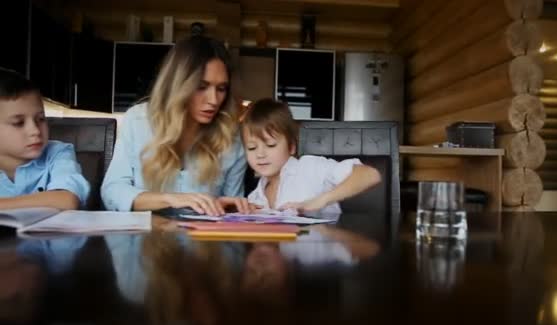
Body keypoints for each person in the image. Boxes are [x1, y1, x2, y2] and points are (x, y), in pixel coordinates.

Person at [101, 36, 251, 215]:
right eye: (201, 87)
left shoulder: (232, 138)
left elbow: (234, 209)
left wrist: (229, 207)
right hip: (145, 240)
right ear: (178, 85)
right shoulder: (138, 121)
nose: (213, 100)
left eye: (221, 89)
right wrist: (170, 199)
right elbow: (112, 191)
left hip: (203, 242)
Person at [241, 98, 381, 215]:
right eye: (252, 148)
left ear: (291, 147)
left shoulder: (309, 167)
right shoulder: (255, 197)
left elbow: (371, 175)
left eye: (270, 145)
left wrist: (321, 200)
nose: (260, 154)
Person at [0, 68, 89, 210]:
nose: (35, 131)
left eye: (40, 119)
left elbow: (66, 200)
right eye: (19, 123)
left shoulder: (58, 153)